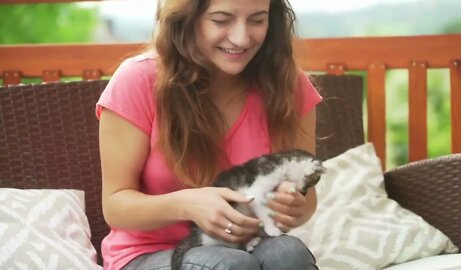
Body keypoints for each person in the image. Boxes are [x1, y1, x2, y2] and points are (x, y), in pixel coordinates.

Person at [96, 0, 322, 269]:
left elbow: (306, 201)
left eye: (257, 20)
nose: (241, 38)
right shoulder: (138, 80)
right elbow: (115, 206)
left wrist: (291, 205)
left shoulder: (289, 86)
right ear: (188, 19)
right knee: (230, 265)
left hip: (247, 245)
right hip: (148, 254)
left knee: (289, 253)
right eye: (221, 20)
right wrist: (187, 205)